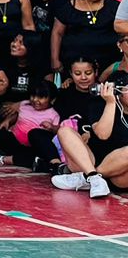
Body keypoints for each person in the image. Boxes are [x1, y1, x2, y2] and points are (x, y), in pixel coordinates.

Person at [51, 62, 128, 198]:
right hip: (88, 162)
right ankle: (92, 176)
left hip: (118, 173)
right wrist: (110, 103)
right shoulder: (98, 103)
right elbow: (102, 134)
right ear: (117, 91)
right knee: (65, 131)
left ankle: (87, 178)